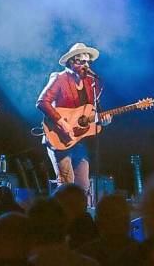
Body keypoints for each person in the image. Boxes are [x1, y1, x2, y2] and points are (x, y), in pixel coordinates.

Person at [36, 42, 111, 193]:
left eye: (88, 62)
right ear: (72, 62)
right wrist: (61, 122)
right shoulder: (60, 78)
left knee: (83, 186)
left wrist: (104, 121)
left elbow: (92, 111)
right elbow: (42, 102)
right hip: (58, 137)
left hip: (79, 139)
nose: (86, 65)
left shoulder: (92, 82)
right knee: (66, 184)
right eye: (82, 62)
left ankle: (80, 216)